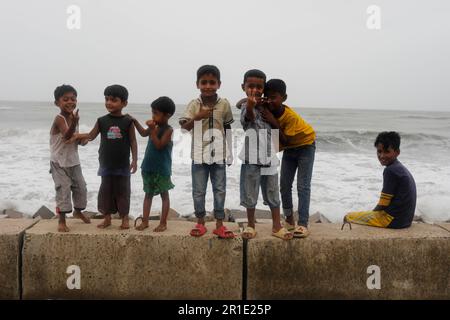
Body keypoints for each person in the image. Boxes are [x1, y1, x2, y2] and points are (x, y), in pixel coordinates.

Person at [179, 65, 235, 238]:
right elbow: (183, 127)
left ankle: (219, 224)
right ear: (197, 84)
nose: (208, 86)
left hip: (219, 155)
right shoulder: (193, 105)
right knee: (199, 191)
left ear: (219, 84)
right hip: (198, 156)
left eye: (212, 82)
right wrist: (198, 117)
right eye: (204, 82)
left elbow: (227, 128)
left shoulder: (224, 104)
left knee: (220, 190)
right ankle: (200, 222)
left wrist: (230, 151)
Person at [239, 70, 292, 240]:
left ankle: (277, 226)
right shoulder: (245, 107)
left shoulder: (267, 106)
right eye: (251, 86)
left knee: (272, 191)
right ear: (244, 87)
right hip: (250, 157)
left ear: (263, 89)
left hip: (269, 157)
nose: (255, 89)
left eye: (258, 87)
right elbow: (247, 119)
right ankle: (250, 225)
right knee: (250, 191)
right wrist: (248, 103)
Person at [76, 84, 138, 229]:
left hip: (123, 164)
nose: (109, 103)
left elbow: (133, 141)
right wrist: (77, 136)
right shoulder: (101, 120)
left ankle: (124, 219)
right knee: (105, 192)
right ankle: (107, 218)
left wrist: (134, 160)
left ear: (124, 103)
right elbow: (91, 135)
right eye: (107, 99)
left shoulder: (128, 122)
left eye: (114, 100)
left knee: (123, 192)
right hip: (105, 163)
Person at [263, 79, 316, 238]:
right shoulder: (267, 108)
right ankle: (289, 220)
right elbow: (240, 104)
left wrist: (272, 121)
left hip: (306, 146)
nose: (270, 101)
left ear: (284, 98)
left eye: (274, 97)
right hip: (290, 149)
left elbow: (284, 140)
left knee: (303, 186)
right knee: (284, 186)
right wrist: (252, 100)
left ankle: (303, 224)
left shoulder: (290, 116)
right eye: (267, 97)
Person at [343, 131, 416, 229]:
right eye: (379, 151)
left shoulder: (390, 171)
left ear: (397, 152)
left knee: (349, 216)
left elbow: (383, 204)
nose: (381, 156)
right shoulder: (400, 168)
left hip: (393, 220)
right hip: (405, 220)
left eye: (387, 152)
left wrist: (370, 215)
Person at [131, 97, 175, 232]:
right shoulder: (153, 127)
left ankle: (163, 223)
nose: (153, 116)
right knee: (148, 194)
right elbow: (143, 133)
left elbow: (159, 145)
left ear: (167, 115)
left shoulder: (169, 130)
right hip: (148, 167)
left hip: (162, 169)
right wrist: (135, 122)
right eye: (152, 113)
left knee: (164, 195)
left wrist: (153, 130)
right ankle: (145, 221)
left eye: (156, 113)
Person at [50, 84, 90, 232]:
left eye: (73, 99)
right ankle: (62, 220)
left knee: (81, 187)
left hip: (73, 161)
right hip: (58, 162)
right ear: (57, 103)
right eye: (65, 99)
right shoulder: (59, 118)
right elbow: (67, 135)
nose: (70, 102)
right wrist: (75, 125)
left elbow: (74, 138)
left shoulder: (74, 118)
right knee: (63, 190)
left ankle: (78, 211)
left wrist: (83, 140)